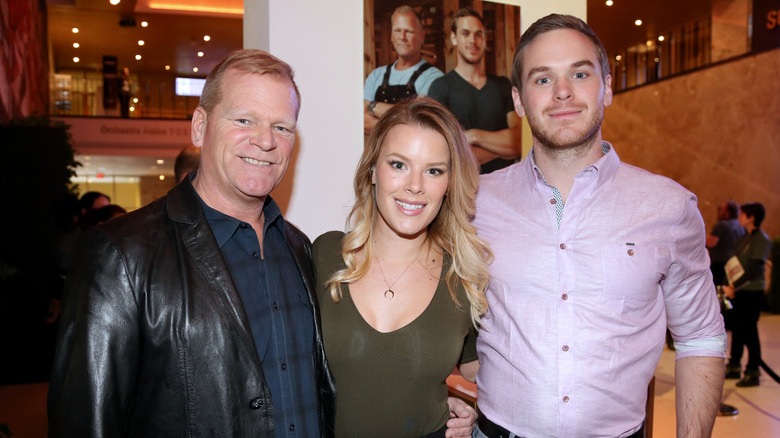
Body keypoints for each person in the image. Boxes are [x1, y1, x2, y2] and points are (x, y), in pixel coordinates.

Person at [48, 49, 336, 437]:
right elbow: (85, 422)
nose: (265, 141)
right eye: (244, 119)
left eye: (282, 127)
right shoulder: (120, 254)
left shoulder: (300, 249)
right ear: (200, 126)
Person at [472, 14, 726, 438]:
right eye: (541, 79)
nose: (563, 92)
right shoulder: (476, 201)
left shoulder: (669, 207)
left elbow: (700, 337)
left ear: (607, 85)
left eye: (580, 73)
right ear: (518, 101)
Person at [313, 97, 488, 437]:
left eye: (434, 170)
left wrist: (469, 413)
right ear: (373, 170)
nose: (415, 186)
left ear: (449, 185)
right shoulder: (324, 255)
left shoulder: (463, 275)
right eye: (398, 164)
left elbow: (478, 370)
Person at [428, 8, 522, 174]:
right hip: (463, 191)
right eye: (465, 33)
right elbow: (447, 153)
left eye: (478, 34)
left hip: (505, 188)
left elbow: (519, 141)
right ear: (454, 38)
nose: (473, 40)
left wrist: (473, 135)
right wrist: (503, 149)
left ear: (484, 39)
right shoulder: (440, 87)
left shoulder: (503, 85)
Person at [363, 5, 444, 135]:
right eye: (397, 30)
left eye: (409, 31)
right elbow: (362, 121)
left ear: (422, 37)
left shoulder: (434, 78)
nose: (402, 37)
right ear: (391, 36)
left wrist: (372, 106)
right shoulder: (375, 75)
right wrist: (406, 121)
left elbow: (422, 123)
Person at [722, 202, 772, 387]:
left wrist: (734, 286)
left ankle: (753, 371)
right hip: (737, 291)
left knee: (750, 330)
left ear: (752, 217)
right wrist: (729, 285)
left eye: (742, 214)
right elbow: (734, 263)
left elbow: (755, 267)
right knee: (736, 328)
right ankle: (734, 364)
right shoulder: (743, 238)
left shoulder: (762, 239)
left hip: (751, 291)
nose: (739, 217)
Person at [707, 200, 746, 286]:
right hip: (731, 265)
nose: (718, 212)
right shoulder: (741, 227)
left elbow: (711, 243)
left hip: (717, 265)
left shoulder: (722, 225)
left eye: (721, 209)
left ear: (728, 212)